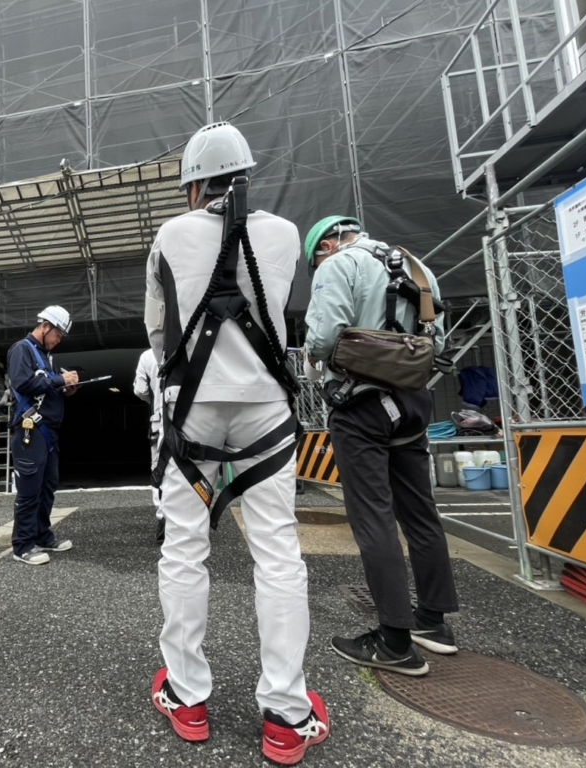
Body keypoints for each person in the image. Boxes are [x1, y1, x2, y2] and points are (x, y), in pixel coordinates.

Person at [145, 121, 329, 764]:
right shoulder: (284, 233)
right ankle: (286, 713)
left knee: (184, 548)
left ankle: (187, 695)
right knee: (278, 551)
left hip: (191, 409)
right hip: (265, 409)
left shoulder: (169, 235)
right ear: (246, 174)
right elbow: (283, 311)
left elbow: (158, 330)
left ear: (195, 184)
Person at [302, 215, 459, 677]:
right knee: (420, 513)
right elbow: (438, 339)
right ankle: (433, 622)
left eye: (315, 261)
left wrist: (314, 360)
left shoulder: (338, 265)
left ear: (327, 245)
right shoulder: (415, 266)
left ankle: (394, 642)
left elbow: (323, 337)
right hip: (412, 400)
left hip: (362, 403)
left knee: (373, 518)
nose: (318, 267)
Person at [7, 306, 79, 565]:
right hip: (31, 430)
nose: (59, 340)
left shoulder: (45, 356)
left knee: (47, 487)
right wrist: (60, 381)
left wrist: (65, 389)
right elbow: (23, 383)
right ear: (46, 326)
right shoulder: (22, 349)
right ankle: (22, 545)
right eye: (58, 334)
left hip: (47, 432)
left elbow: (44, 387)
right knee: (29, 491)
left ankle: (42, 536)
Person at [133, 348, 164, 543]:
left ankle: (164, 520)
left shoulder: (147, 355)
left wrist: (155, 401)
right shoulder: (191, 346)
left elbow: (140, 390)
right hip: (190, 420)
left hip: (160, 420)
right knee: (191, 468)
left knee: (159, 471)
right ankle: (195, 520)